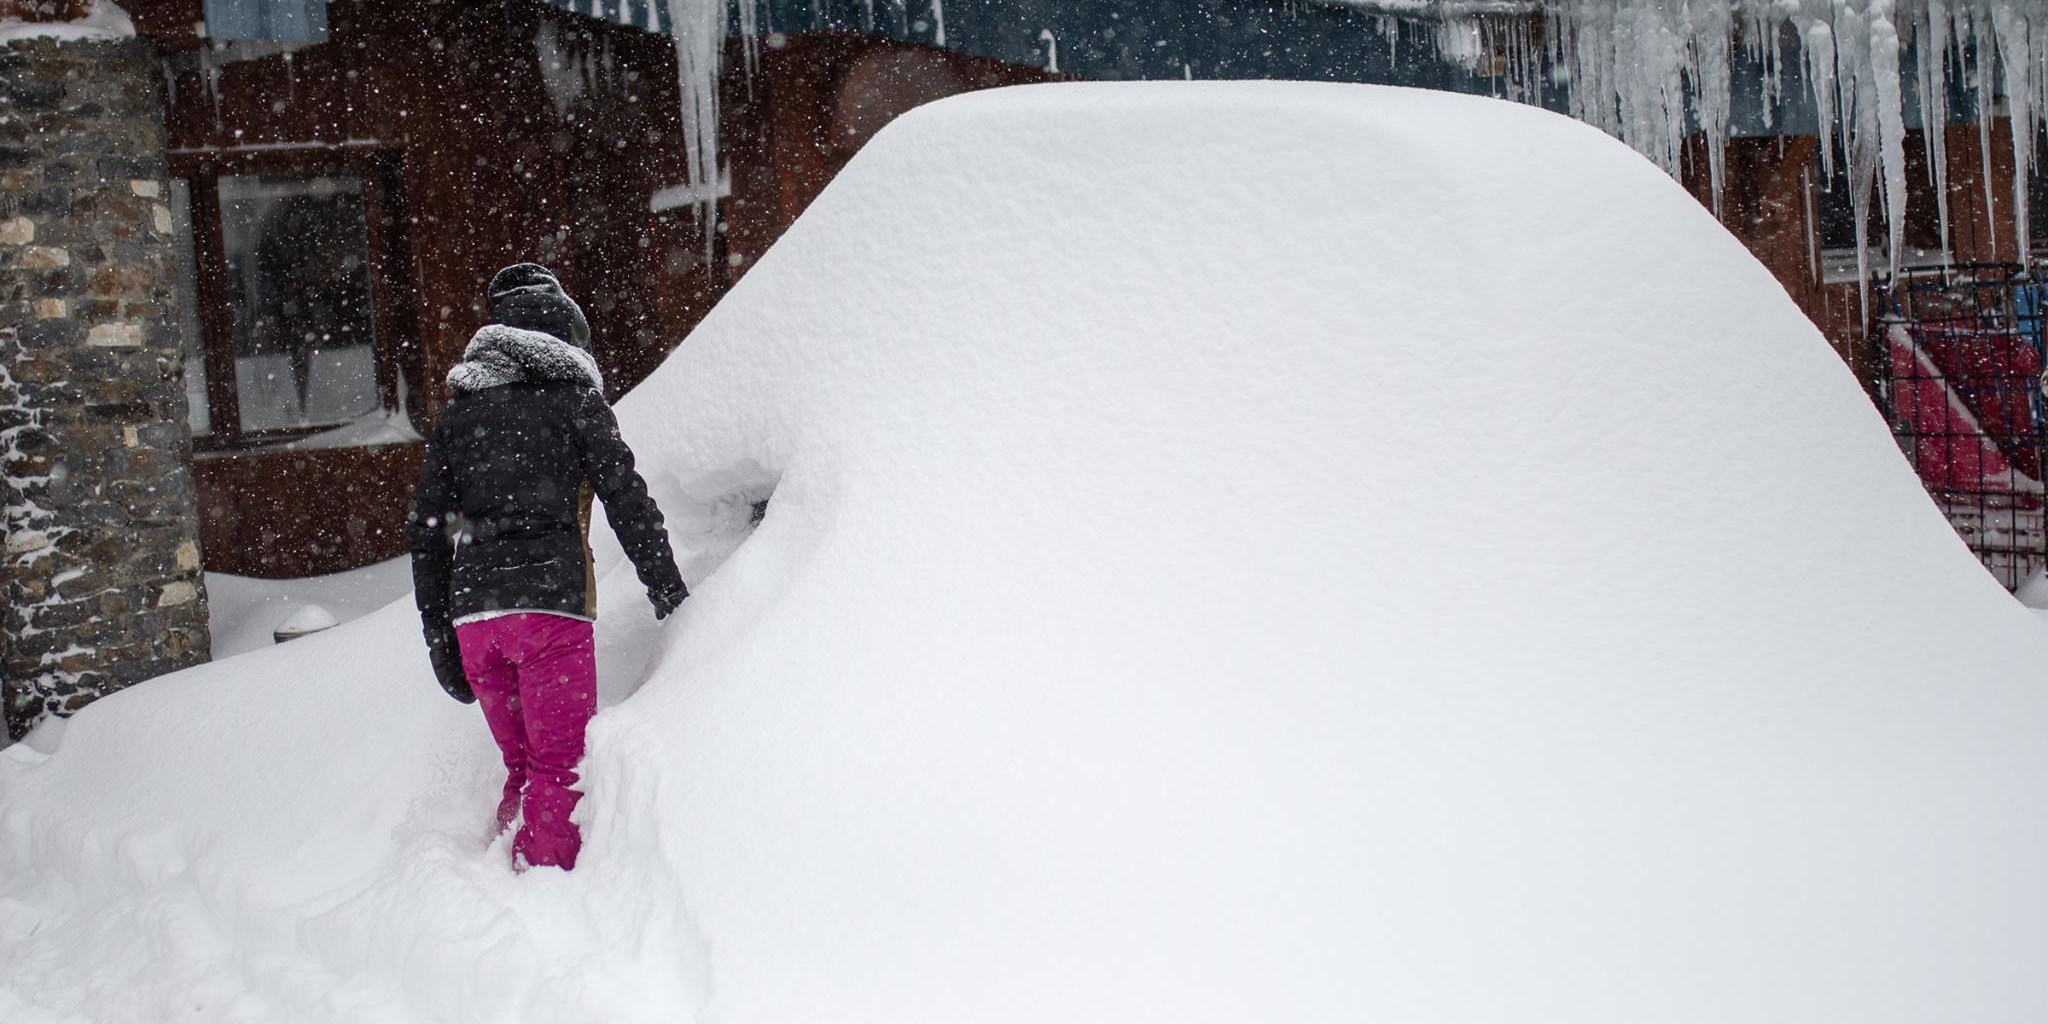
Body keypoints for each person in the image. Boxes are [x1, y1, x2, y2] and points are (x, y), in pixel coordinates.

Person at [407, 263, 687, 872]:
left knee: (523, 768)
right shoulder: (574, 402)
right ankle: (543, 895)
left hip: (476, 618)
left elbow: (429, 532)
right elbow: (627, 500)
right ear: (566, 332)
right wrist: (669, 592)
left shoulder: (459, 416)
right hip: (548, 615)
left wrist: (440, 637)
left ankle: (499, 875)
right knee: (558, 772)